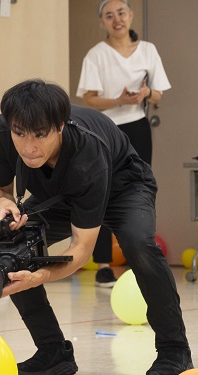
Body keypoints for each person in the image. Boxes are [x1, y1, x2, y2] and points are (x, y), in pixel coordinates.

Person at [0, 79, 192, 375]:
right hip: (61, 195)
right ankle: (53, 352)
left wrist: (40, 275)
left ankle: (174, 349)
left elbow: (82, 248)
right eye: (20, 133)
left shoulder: (87, 152)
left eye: (40, 135)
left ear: (60, 126)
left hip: (124, 186)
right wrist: (1, 203)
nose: (29, 147)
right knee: (10, 252)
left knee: (139, 245)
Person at [76, 0, 170, 288]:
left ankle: (140, 260)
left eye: (121, 13)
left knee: (140, 188)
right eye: (109, 15)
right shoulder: (96, 55)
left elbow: (159, 96)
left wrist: (145, 93)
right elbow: (88, 99)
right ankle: (104, 264)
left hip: (138, 126)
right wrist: (118, 99)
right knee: (103, 191)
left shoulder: (148, 50)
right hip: (105, 129)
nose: (116, 19)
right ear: (102, 22)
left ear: (130, 16)